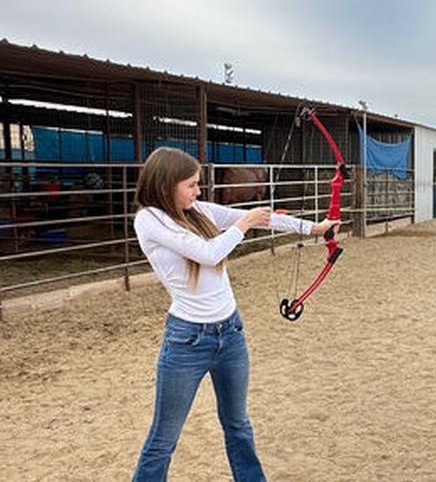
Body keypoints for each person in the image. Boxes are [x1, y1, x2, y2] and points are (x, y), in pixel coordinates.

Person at [131, 147, 339, 481]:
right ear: (166, 184)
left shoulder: (194, 210)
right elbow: (209, 253)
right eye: (191, 185)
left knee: (238, 425)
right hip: (187, 341)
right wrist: (245, 223)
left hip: (230, 333)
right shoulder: (150, 220)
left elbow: (264, 217)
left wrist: (314, 229)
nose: (198, 191)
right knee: (163, 438)